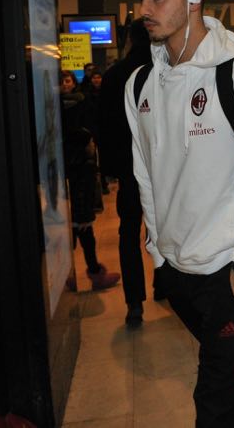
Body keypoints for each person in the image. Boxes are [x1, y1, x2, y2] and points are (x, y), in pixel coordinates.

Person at [124, 0, 234, 426]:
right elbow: (144, 174)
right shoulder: (140, 84)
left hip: (231, 272)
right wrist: (158, 253)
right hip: (178, 273)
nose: (143, 10)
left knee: (218, 406)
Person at [98, 19, 153, 327]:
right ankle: (165, 284)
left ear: (129, 39)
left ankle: (134, 302)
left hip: (129, 168)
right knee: (163, 229)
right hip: (161, 168)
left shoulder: (114, 75)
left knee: (129, 232)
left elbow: (104, 127)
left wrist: (109, 170)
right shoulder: (162, 70)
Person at [60, 70, 120, 291]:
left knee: (78, 225)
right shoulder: (69, 107)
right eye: (61, 81)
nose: (64, 85)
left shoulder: (74, 104)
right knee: (81, 225)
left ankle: (78, 272)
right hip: (76, 171)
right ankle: (91, 272)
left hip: (76, 171)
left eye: (67, 80)